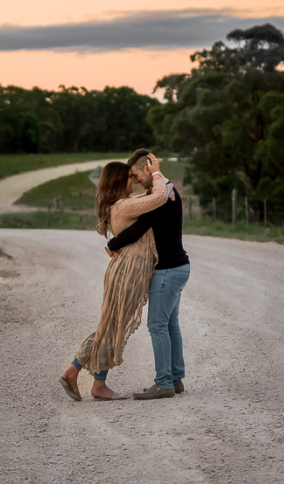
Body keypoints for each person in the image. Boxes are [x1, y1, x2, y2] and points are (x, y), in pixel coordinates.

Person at [59, 154, 171, 401]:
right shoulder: (123, 206)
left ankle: (96, 382)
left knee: (112, 325)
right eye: (129, 178)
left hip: (125, 267)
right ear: (119, 182)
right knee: (113, 326)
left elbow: (153, 198)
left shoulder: (122, 204)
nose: (132, 182)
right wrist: (157, 173)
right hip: (130, 269)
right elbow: (161, 197)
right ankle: (75, 371)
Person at [106, 148, 190, 400]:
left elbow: (140, 228)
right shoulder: (165, 189)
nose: (132, 181)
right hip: (176, 267)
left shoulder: (161, 194)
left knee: (157, 325)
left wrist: (112, 244)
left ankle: (164, 382)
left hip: (166, 270)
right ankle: (175, 379)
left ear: (147, 168)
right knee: (170, 324)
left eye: (133, 175)